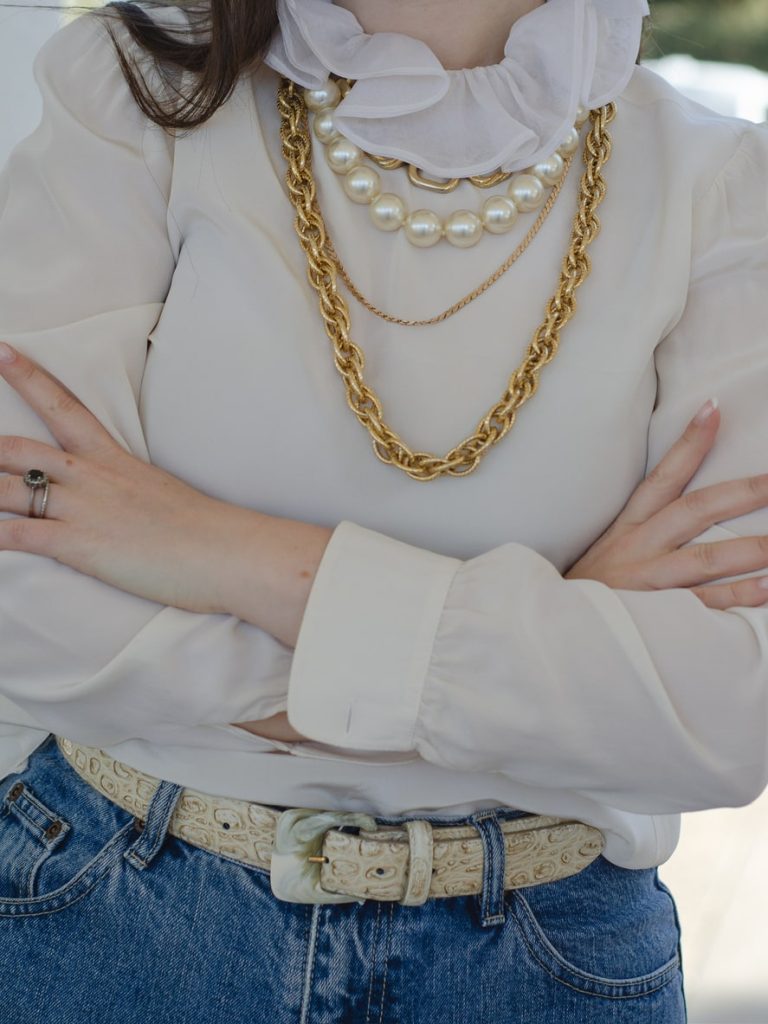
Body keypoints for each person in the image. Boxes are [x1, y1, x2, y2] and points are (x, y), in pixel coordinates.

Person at [0, 0, 766, 1019]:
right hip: (116, 920)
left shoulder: (723, 182)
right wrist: (553, 634)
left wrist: (221, 554)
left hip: (546, 961)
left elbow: (723, 712)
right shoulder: (136, 85)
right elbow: (25, 605)